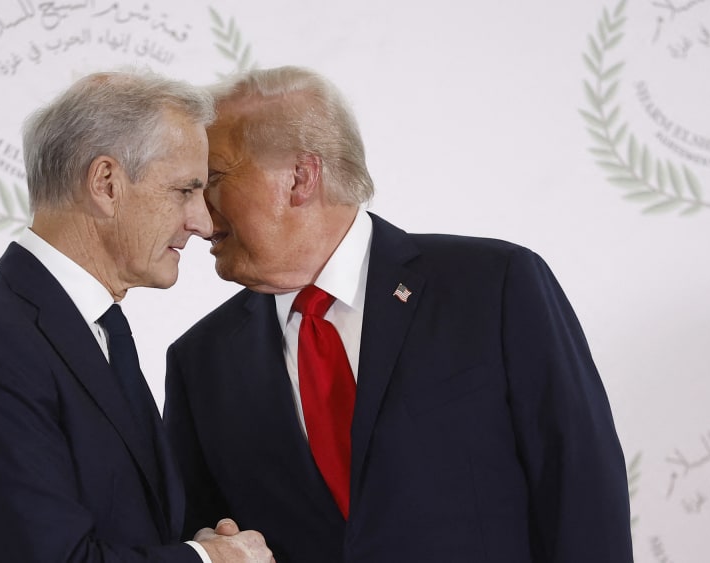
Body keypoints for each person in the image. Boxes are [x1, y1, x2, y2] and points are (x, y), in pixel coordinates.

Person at [164, 66, 633, 562]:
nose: (193, 217)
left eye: (210, 180)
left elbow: (580, 488)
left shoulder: (494, 286)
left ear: (300, 177)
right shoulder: (201, 361)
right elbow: (202, 537)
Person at [0, 71, 273, 563]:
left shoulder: (94, 329)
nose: (202, 221)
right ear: (106, 184)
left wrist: (194, 544)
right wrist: (210, 561)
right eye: (185, 190)